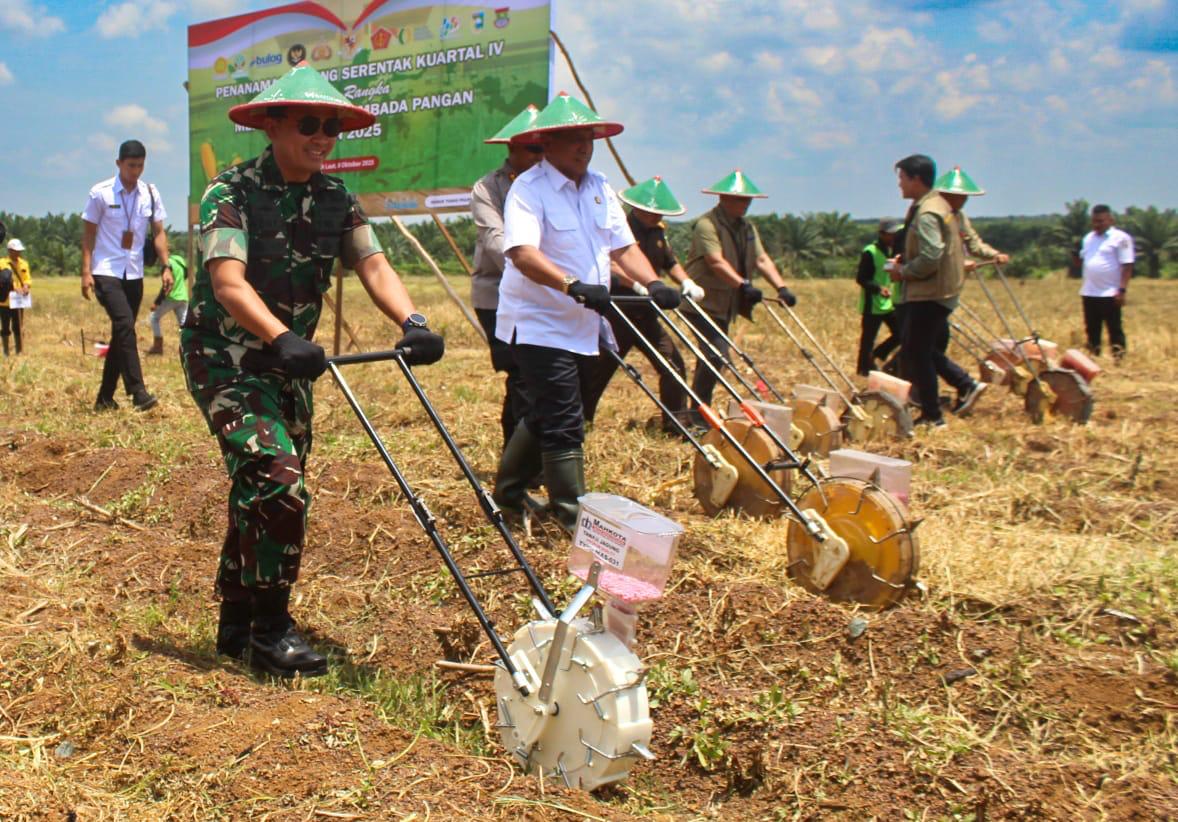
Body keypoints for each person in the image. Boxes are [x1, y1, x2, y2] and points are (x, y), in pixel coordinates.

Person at [179, 63, 444, 678]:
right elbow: (227, 283)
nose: (322, 136)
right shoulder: (231, 193)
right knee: (278, 478)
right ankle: (271, 631)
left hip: (289, 364)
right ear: (272, 125)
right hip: (228, 359)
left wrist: (413, 321)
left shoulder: (336, 199)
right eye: (308, 124)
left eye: (332, 126)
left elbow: (372, 264)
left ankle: (237, 620)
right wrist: (280, 336)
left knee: (263, 486)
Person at [491, 92, 680, 531]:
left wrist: (652, 283)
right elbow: (522, 253)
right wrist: (571, 285)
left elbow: (623, 246)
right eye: (573, 138)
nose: (583, 146)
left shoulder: (599, 187)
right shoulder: (529, 189)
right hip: (538, 321)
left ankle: (509, 493)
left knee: (547, 410)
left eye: (589, 137)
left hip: (583, 322)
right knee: (565, 418)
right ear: (548, 143)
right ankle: (571, 516)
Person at [581, 176, 700, 431]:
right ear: (638, 209)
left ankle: (676, 423)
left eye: (660, 213)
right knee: (599, 370)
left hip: (647, 313)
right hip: (619, 311)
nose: (656, 217)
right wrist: (635, 283)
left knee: (672, 363)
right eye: (652, 212)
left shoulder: (659, 233)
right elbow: (610, 263)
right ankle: (582, 420)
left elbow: (670, 263)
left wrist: (686, 281)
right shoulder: (620, 228)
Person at [681, 170, 797, 407]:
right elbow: (715, 261)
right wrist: (743, 285)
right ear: (723, 198)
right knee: (716, 355)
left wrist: (781, 287)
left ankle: (698, 409)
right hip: (701, 302)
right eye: (739, 199)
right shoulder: (707, 225)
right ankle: (698, 411)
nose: (745, 205)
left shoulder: (747, 228)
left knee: (712, 357)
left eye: (747, 200)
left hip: (725, 304)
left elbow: (761, 259)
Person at [889, 154, 984, 427]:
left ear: (916, 179)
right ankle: (959, 387)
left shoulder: (928, 212)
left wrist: (903, 271)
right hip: (939, 291)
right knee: (919, 349)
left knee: (918, 353)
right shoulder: (938, 206)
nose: (899, 184)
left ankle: (933, 414)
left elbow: (931, 256)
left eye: (902, 178)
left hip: (929, 293)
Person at [470, 105, 543, 446]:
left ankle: (528, 456)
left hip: (548, 291)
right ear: (512, 148)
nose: (540, 156)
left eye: (544, 148)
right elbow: (495, 241)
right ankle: (517, 459)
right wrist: (538, 271)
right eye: (533, 149)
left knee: (541, 377)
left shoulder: (552, 185)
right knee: (523, 376)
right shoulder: (488, 188)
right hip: (498, 295)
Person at [82, 139, 172, 411]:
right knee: (125, 325)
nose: (135, 171)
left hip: (134, 272)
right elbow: (88, 235)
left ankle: (105, 399)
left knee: (121, 333)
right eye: (131, 165)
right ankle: (138, 391)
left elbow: (159, 232)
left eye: (140, 166)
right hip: (105, 270)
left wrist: (166, 266)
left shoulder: (150, 194)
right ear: (119, 163)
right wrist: (85, 271)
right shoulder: (100, 193)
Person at [1079, 204, 1133, 359]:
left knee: (1114, 329)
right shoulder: (1088, 238)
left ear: (1110, 220)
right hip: (1090, 291)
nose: (1097, 224)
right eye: (1094, 221)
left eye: (1101, 221)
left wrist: (1122, 290)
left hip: (1110, 292)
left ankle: (1119, 359)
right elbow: (1083, 260)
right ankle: (1093, 358)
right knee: (1092, 329)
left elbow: (1127, 265)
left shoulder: (1121, 238)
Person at [855, 218, 903, 376]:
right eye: (890, 234)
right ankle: (864, 368)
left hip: (888, 302)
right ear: (881, 234)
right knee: (868, 339)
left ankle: (878, 354)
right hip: (872, 303)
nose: (893, 237)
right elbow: (861, 278)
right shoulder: (870, 252)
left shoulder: (893, 251)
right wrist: (878, 288)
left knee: (900, 333)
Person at [146, 252, 190, 356]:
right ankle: (188, 346)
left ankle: (158, 346)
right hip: (183, 296)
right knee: (184, 324)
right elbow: (186, 275)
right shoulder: (179, 260)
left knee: (153, 318)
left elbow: (166, 286)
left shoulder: (167, 266)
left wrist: (156, 303)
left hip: (172, 297)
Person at [0, 239, 31, 356]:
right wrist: (13, 287)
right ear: (9, 250)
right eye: (15, 251)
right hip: (5, 301)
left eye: (19, 251)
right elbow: (3, 280)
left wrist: (26, 286)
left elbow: (27, 278)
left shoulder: (24, 264)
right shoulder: (2, 263)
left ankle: (19, 351)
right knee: (5, 327)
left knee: (18, 326)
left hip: (19, 301)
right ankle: (6, 352)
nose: (18, 253)